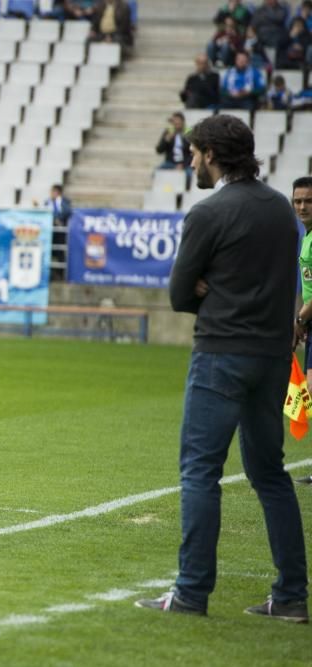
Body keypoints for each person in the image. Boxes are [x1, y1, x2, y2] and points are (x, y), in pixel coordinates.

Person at [136, 115, 309, 622]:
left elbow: (177, 293)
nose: (190, 161)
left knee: (199, 473)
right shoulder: (282, 210)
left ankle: (190, 592)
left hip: (221, 354)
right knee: (270, 475)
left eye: (194, 153)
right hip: (274, 356)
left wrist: (213, 292)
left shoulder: (208, 213)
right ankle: (292, 596)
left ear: (211, 153)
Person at [293, 175, 312, 486]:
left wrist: (298, 321)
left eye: (308, 200)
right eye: (297, 201)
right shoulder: (306, 236)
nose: (302, 206)